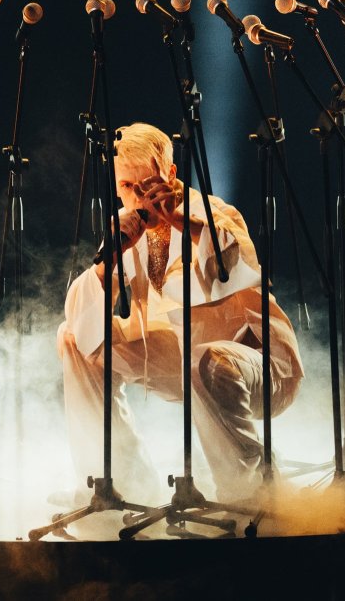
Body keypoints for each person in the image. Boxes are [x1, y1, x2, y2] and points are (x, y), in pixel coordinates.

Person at [57, 122, 304, 502]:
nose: (139, 199)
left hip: (257, 365)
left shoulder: (212, 213)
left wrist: (176, 220)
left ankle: (252, 494)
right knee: (75, 340)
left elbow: (228, 262)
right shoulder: (125, 230)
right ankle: (121, 482)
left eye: (148, 185)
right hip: (186, 363)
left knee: (208, 359)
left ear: (170, 175)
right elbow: (80, 316)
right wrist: (110, 263)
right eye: (127, 187)